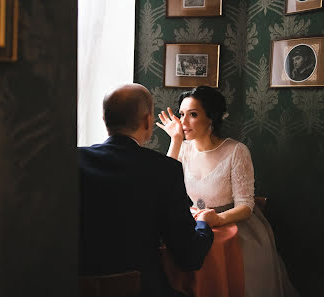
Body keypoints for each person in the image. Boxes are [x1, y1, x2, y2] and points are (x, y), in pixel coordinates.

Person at [157, 86, 299, 297]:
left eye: (193, 115)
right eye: (181, 114)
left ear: (211, 118)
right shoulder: (183, 149)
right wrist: (175, 141)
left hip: (235, 228)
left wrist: (217, 220)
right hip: (198, 223)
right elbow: (163, 186)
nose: (183, 122)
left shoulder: (236, 151)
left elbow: (246, 205)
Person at [78, 83, 215, 297]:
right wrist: (203, 224)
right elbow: (189, 257)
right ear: (148, 121)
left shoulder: (73, 160)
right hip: (142, 290)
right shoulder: (165, 170)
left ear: (105, 119)